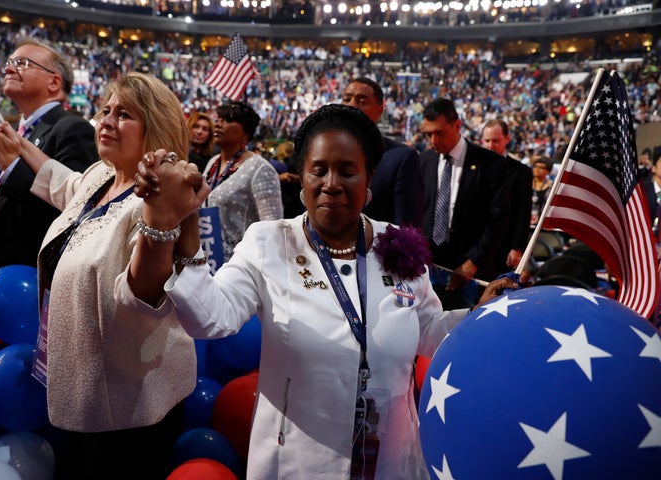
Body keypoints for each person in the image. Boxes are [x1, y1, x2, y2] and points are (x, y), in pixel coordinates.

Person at [133, 104, 516, 479]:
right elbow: (211, 318)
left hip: (392, 460)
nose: (331, 184)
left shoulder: (397, 245)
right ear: (303, 178)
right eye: (319, 170)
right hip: (298, 461)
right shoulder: (268, 243)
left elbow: (430, 329)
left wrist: (479, 315)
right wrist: (185, 228)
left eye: (347, 171)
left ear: (369, 181)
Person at [0, 72, 197, 479]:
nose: (107, 121)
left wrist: (162, 219)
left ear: (156, 128)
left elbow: (143, 296)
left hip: (131, 404)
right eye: (105, 111)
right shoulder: (101, 176)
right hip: (85, 385)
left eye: (125, 114)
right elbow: (65, 184)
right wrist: (21, 145)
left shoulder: (155, 201)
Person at [0, 38, 97, 282]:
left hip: (25, 278)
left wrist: (12, 166)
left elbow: (73, 211)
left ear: (54, 81)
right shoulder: (14, 129)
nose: (8, 69)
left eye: (22, 63)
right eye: (9, 62)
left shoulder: (71, 129)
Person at [418, 98, 509, 295]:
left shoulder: (491, 164)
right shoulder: (423, 161)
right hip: (427, 269)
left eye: (439, 133)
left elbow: (497, 219)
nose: (433, 141)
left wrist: (473, 261)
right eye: (428, 134)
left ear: (457, 125)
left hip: (472, 271)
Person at [203, 101, 282, 262]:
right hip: (208, 260)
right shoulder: (212, 163)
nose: (218, 123)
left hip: (240, 267)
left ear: (245, 133)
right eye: (218, 118)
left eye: (228, 119)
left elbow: (272, 230)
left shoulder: (260, 169)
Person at [341, 77, 424, 227]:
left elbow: (406, 233)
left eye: (362, 101)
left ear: (379, 110)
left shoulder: (401, 158)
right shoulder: (327, 154)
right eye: (347, 99)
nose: (352, 105)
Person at [482, 119, 532, 271]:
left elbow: (523, 213)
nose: (491, 145)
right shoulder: (475, 168)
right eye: (487, 141)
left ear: (507, 139)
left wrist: (517, 247)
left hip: (505, 245)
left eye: (496, 141)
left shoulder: (521, 172)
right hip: (477, 245)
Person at [531, 156, 554, 226]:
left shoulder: (552, 186)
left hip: (541, 224)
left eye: (541, 168)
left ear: (548, 171)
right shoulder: (525, 182)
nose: (537, 169)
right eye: (535, 166)